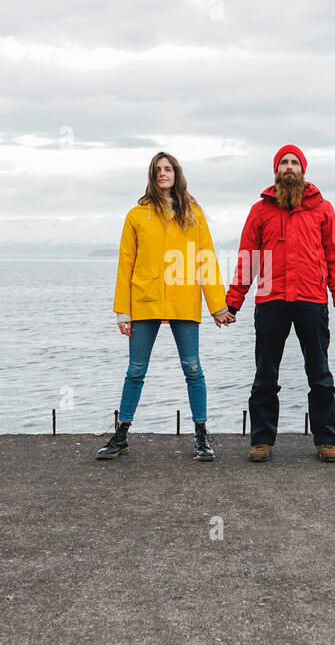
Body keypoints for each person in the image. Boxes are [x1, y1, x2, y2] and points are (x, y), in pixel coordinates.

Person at [98, 152, 235, 461]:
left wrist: (217, 306)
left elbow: (206, 259)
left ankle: (201, 436)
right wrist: (123, 311)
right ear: (152, 175)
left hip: (184, 300)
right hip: (143, 300)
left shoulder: (194, 214)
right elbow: (126, 264)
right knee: (135, 370)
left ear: (176, 174)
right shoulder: (137, 215)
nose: (163, 174)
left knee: (192, 368)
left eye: (168, 169)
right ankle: (121, 436)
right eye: (158, 170)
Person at [225, 144, 335, 462]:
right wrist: (233, 302)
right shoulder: (260, 211)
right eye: (284, 163)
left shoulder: (323, 209)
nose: (289, 167)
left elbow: (334, 256)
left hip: (311, 299)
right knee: (265, 374)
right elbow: (247, 260)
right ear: (276, 171)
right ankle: (262, 441)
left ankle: (326, 440)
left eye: (295, 162)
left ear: (303, 170)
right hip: (271, 300)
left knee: (319, 374)